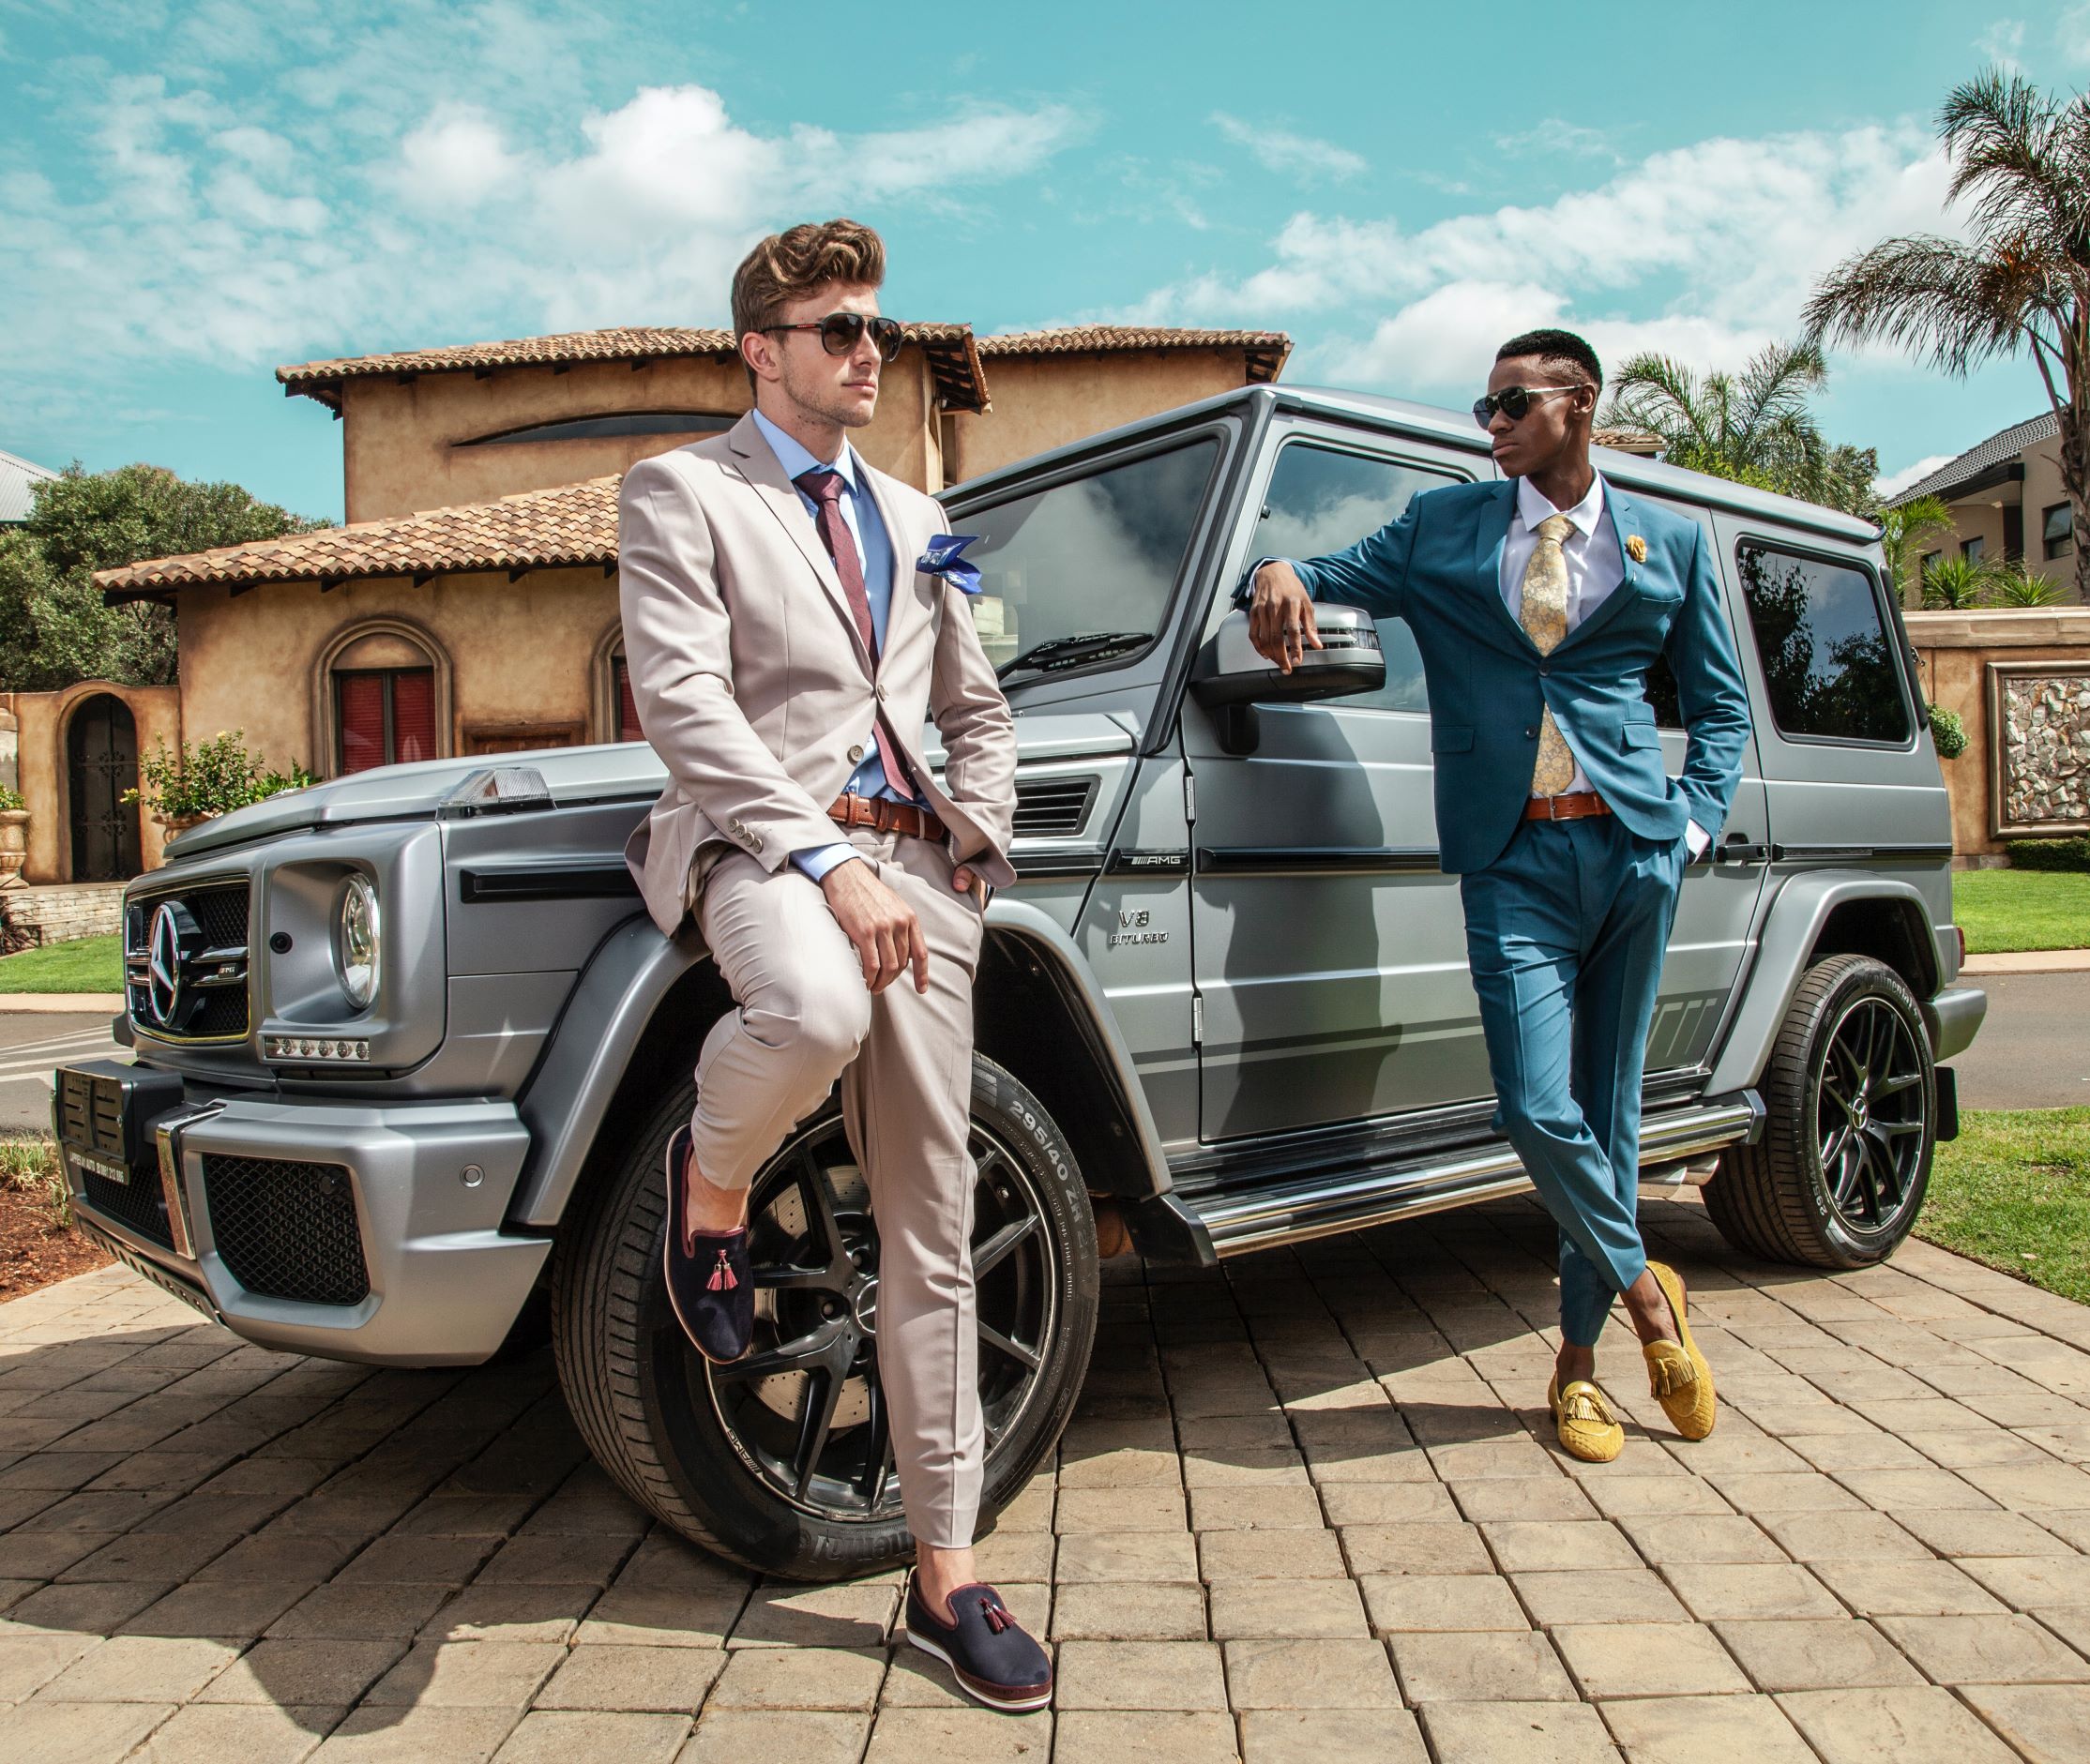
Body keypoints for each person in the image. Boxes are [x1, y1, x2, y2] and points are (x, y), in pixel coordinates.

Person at [617, 219, 1049, 1711]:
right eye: (838, 329)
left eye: (877, 328)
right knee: (803, 1006)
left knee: (931, 1215)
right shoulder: (684, 490)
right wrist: (825, 859)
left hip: (923, 876)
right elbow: (683, 704)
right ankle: (714, 1181)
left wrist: (970, 853)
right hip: (761, 849)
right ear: (760, 347)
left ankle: (949, 1569)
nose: (871, 351)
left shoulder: (925, 510)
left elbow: (974, 705)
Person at [1245, 328, 1750, 1463]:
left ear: (1576, 404)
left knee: (1607, 1121)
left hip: (1629, 852)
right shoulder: (1443, 528)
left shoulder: (1664, 540)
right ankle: (1647, 1299)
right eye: (1483, 408)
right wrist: (1270, 571)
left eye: (1511, 403)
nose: (1491, 424)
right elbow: (1318, 577)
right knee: (1532, 1108)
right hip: (1509, 856)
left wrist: (1689, 824)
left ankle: (1575, 1374)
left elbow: (1719, 708)